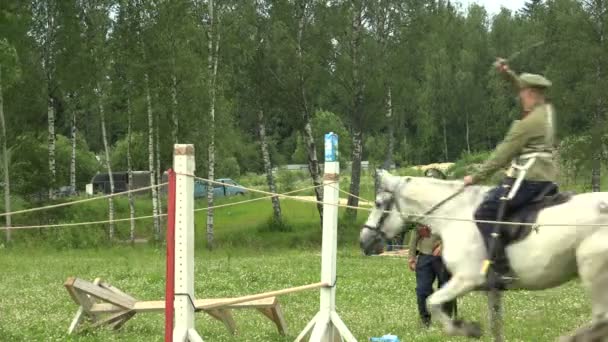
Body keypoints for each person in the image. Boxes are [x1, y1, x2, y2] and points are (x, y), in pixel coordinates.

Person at [463, 58, 558, 290]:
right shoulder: (547, 111)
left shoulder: (525, 125)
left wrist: (474, 177)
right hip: (548, 178)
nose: (520, 96)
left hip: (530, 180)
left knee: (485, 211)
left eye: (524, 94)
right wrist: (508, 74)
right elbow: (522, 86)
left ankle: (500, 268)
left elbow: (500, 157)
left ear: (533, 95)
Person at [408, 223, 457, 328]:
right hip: (424, 256)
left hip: (444, 257)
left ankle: (447, 319)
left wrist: (443, 246)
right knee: (422, 290)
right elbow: (416, 232)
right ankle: (425, 321)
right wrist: (411, 257)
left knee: (446, 288)